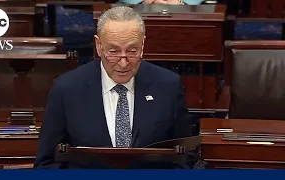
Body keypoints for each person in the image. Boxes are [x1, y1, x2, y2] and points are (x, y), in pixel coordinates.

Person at [34, 6, 195, 169]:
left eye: (132, 51)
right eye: (113, 52)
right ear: (98, 45)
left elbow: (185, 157)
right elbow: (46, 163)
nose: (123, 63)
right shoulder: (67, 89)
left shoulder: (168, 86)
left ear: (143, 44)